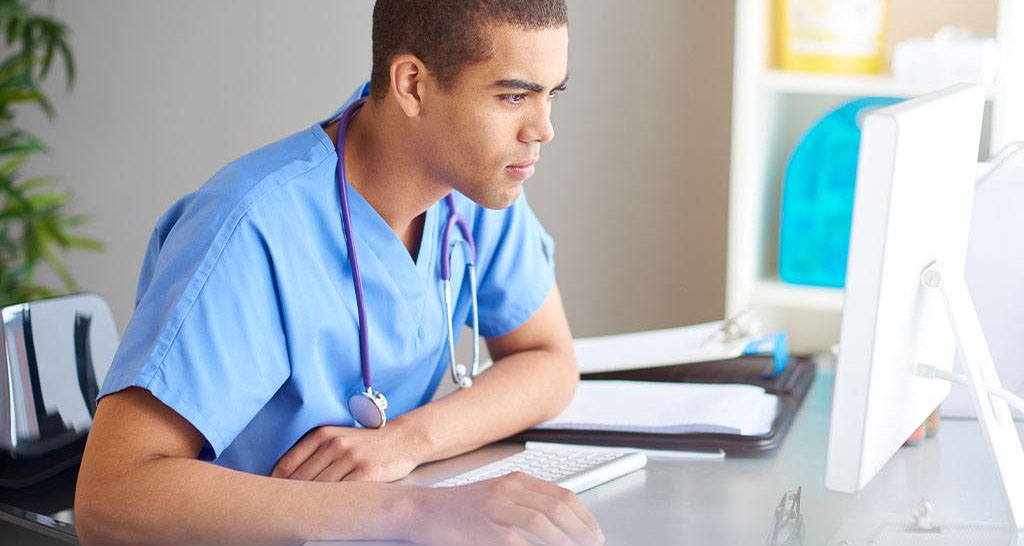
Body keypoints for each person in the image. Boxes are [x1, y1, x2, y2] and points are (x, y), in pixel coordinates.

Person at [74, 1, 604, 545]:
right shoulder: (250, 229)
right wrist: (413, 512)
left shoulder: (473, 186)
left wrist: (407, 441)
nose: (542, 129)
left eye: (550, 94)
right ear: (413, 85)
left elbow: (549, 358)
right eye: (513, 96)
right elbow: (109, 497)